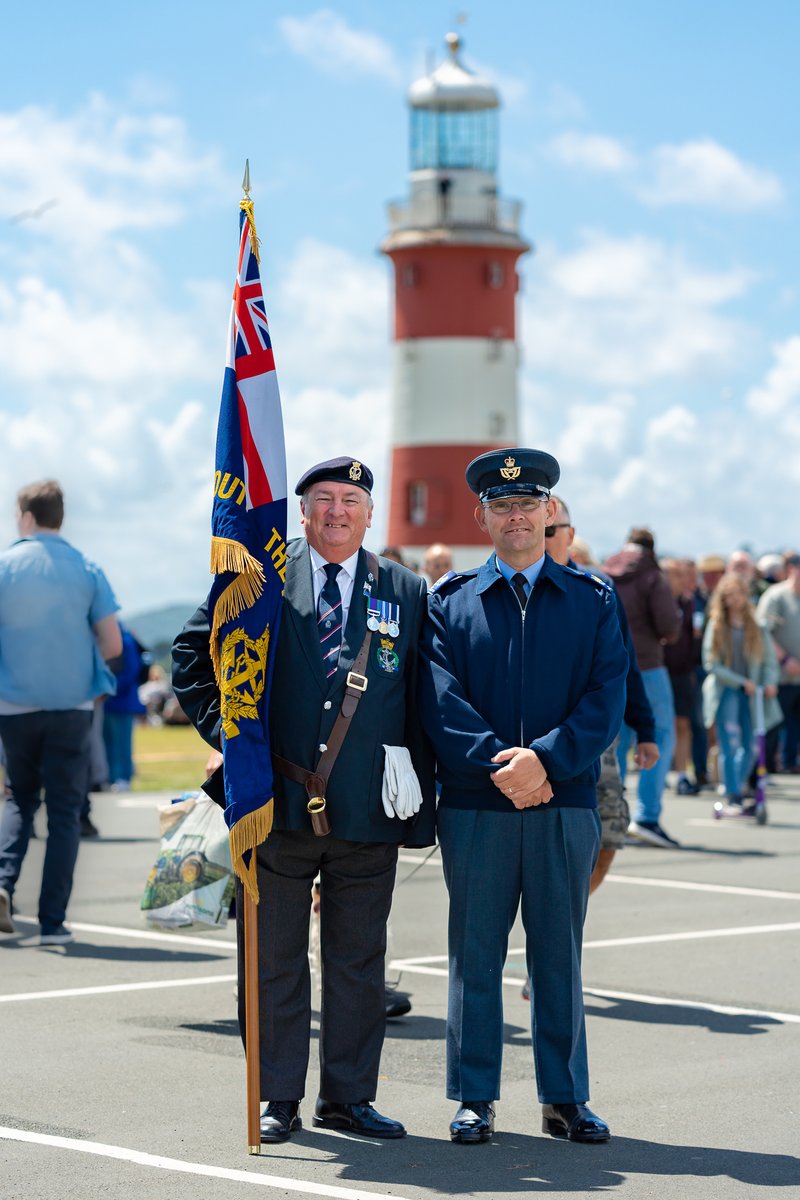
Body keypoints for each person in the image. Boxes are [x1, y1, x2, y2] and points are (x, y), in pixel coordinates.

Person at [172, 457, 435, 1144]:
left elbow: (422, 696)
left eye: (352, 499)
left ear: (371, 513)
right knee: (272, 959)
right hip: (274, 803)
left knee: (357, 962)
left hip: (365, 811)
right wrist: (233, 741)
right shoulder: (257, 576)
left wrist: (419, 788)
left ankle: (347, 1097)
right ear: (303, 512)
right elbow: (191, 657)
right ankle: (276, 1095)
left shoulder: (405, 589)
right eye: (324, 499)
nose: (338, 511)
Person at [418, 448, 627, 1145]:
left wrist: (545, 760)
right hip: (478, 806)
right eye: (502, 506)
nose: (516, 516)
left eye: (528, 505)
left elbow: (606, 698)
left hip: (563, 802)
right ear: (483, 515)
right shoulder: (449, 601)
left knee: (557, 955)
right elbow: (440, 702)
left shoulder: (593, 599)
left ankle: (564, 1098)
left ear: (550, 514)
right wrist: (502, 767)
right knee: (474, 955)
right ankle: (475, 1096)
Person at [0, 480, 121, 944]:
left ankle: (4, 883)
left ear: (26, 516)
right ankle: (53, 923)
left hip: (13, 707)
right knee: (66, 812)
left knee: (19, 799)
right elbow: (111, 643)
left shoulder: (6, 566)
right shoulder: (87, 569)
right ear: (59, 517)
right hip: (71, 707)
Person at [545, 496, 657, 893]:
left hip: (595, 735)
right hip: (534, 737)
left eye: (548, 530)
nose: (538, 538)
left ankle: (573, 910)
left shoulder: (599, 590)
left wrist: (645, 729)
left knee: (610, 828)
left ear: (569, 536)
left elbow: (625, 665)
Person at [605, 528, 681, 848]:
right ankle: (647, 816)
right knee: (659, 737)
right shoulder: (652, 575)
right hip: (648, 664)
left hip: (612, 665)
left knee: (617, 743)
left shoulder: (606, 570)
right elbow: (669, 625)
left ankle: (614, 815)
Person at [702, 575, 781, 806]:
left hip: (752, 692)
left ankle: (736, 782)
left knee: (751, 744)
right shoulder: (717, 625)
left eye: (738, 594)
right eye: (729, 595)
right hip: (727, 690)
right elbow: (711, 664)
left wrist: (769, 682)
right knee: (728, 743)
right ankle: (732, 792)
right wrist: (739, 681)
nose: (734, 600)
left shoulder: (757, 626)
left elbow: (769, 662)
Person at [757, 553, 800, 773]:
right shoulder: (776, 596)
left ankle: (790, 762)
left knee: (794, 726)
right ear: (793, 570)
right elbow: (763, 633)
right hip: (779, 676)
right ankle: (764, 769)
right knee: (773, 722)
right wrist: (784, 659)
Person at [103, 623, 146, 790]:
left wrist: (108, 688)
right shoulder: (117, 638)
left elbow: (131, 671)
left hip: (122, 700)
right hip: (109, 700)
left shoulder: (126, 641)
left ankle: (124, 777)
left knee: (121, 743)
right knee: (108, 742)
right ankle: (111, 776)